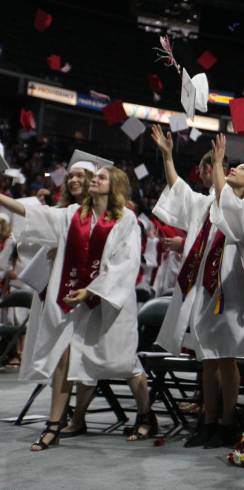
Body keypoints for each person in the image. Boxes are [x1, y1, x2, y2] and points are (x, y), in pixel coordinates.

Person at [0, 163, 156, 450]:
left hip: (109, 306)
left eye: (101, 177)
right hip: (75, 303)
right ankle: (53, 426)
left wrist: (92, 291)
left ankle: (146, 414)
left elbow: (127, 263)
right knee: (64, 357)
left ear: (115, 185)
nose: (93, 180)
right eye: (93, 176)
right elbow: (36, 213)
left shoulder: (126, 220)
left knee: (123, 364)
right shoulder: (74, 215)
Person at [150, 129, 244, 448]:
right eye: (231, 167)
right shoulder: (208, 204)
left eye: (241, 169)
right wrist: (168, 156)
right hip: (205, 287)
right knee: (208, 358)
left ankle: (228, 421)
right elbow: (180, 191)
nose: (233, 169)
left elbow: (230, 210)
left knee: (225, 356)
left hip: (230, 287)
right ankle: (208, 419)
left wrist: (217, 166)